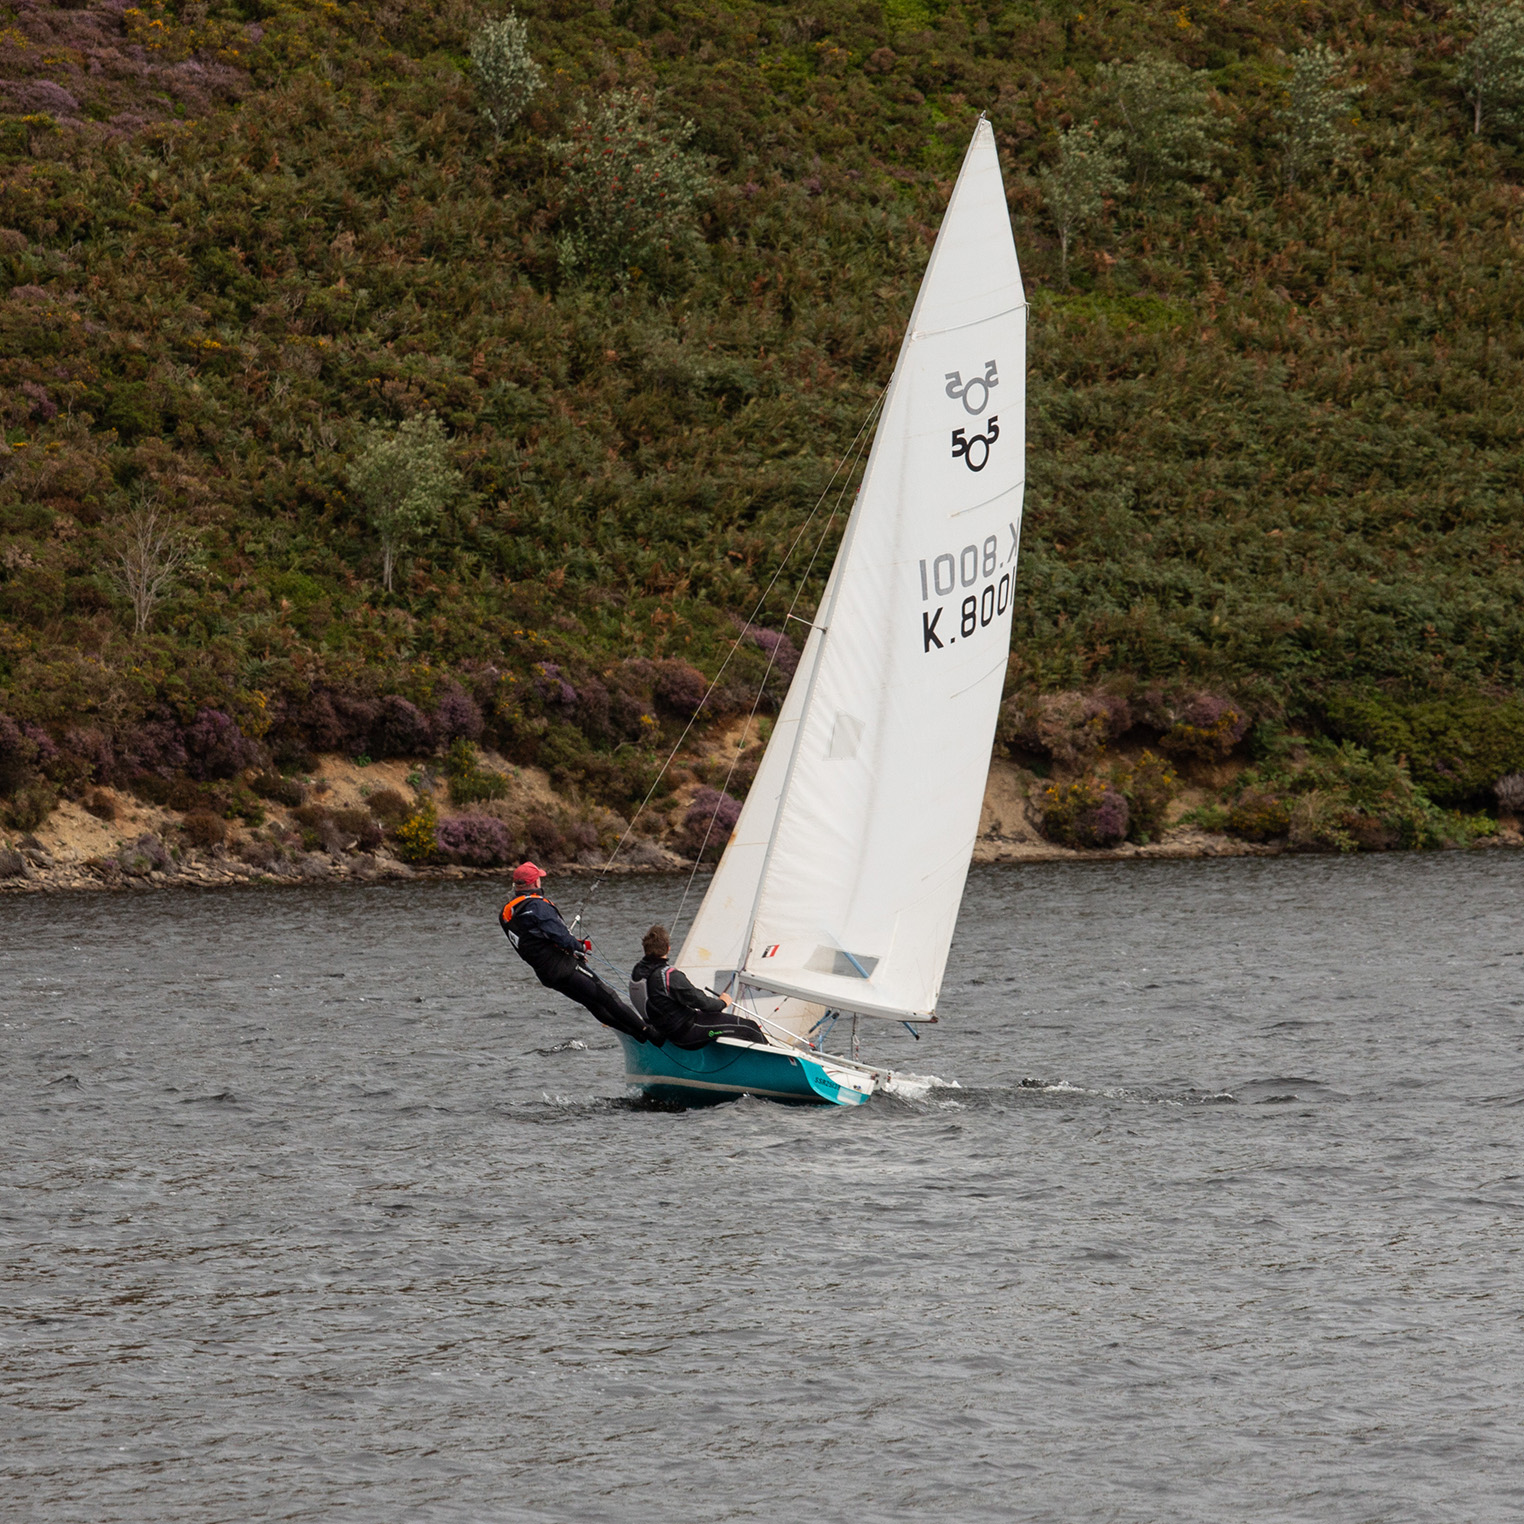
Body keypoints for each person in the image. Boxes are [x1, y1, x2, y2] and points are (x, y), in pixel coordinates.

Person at [500, 863, 657, 1043]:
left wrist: (566, 946)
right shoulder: (537, 906)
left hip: (547, 974)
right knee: (607, 997)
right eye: (539, 878)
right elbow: (563, 938)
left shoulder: (507, 913)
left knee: (592, 1004)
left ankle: (637, 1035)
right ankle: (650, 1034)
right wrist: (580, 947)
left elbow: (535, 939)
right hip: (565, 967)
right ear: (535, 883)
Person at [629, 924, 770, 1049]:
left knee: (723, 1023)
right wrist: (722, 1002)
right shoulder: (669, 976)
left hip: (663, 1031)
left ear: (645, 948)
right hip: (686, 1033)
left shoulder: (637, 971)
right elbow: (702, 1003)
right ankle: (771, 1064)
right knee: (750, 1027)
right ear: (668, 948)